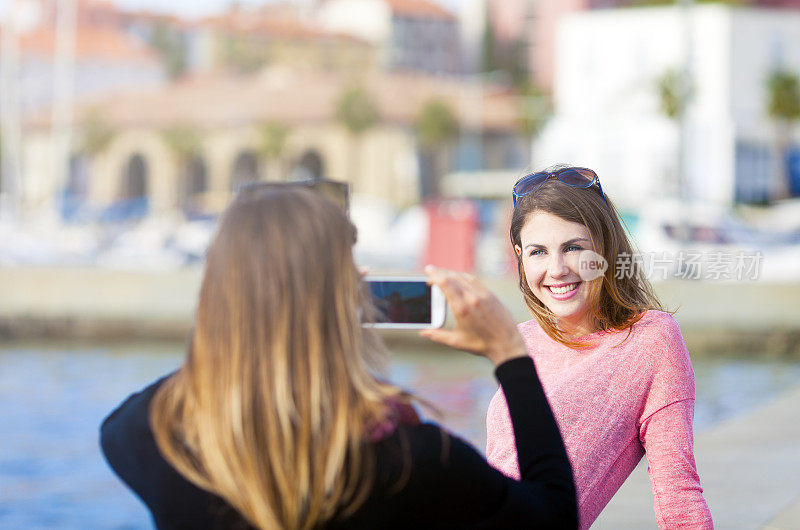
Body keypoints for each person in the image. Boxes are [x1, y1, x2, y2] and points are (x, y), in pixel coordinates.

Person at [100, 184, 578, 530]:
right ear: (340, 296)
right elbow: (554, 516)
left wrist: (241, 321)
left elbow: (195, 385)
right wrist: (510, 356)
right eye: (350, 260)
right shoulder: (410, 461)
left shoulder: (148, 433)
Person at [485, 165, 714, 529]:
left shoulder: (650, 339)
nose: (556, 269)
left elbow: (678, 491)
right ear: (519, 256)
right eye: (538, 252)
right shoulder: (521, 339)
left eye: (573, 248)